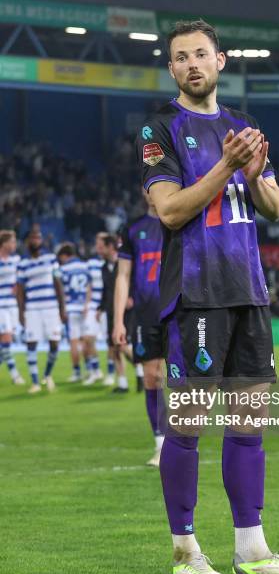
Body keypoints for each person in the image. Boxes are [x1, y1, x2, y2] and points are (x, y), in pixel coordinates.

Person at [137, 19, 279, 574]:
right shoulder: (161, 127)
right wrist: (226, 166)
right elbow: (169, 210)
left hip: (249, 291)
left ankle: (253, 550)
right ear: (172, 69)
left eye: (201, 54)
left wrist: (258, 175)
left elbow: (276, 207)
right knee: (187, 424)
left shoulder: (244, 126)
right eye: (181, 57)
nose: (192, 63)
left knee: (249, 423)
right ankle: (186, 553)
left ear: (220, 62)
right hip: (196, 293)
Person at [113, 189, 167, 467]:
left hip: (181, 312)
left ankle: (182, 443)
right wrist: (118, 320)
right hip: (146, 315)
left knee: (187, 379)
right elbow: (122, 276)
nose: (152, 191)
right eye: (148, 186)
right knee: (151, 377)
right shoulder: (133, 229)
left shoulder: (181, 219)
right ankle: (161, 445)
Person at [16, 227, 66, 393]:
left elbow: (58, 285)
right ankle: (35, 382)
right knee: (31, 343)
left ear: (42, 240)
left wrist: (62, 308)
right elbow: (20, 291)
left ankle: (47, 375)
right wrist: (21, 312)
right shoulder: (22, 264)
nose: (35, 240)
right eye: (32, 238)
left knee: (55, 343)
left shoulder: (51, 259)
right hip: (32, 309)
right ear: (27, 241)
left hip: (51, 308)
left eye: (38, 237)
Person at [97, 234, 128, 393]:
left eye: (101, 247)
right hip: (110, 312)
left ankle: (141, 373)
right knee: (115, 347)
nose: (98, 250)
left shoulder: (123, 264)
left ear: (110, 247)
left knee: (124, 347)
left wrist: (130, 297)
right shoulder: (104, 267)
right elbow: (105, 290)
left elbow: (132, 281)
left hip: (126, 311)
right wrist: (100, 308)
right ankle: (122, 383)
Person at [57, 243, 92, 382]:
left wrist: (63, 308)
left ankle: (77, 372)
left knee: (73, 341)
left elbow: (61, 291)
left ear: (65, 255)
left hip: (71, 308)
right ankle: (90, 370)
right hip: (85, 308)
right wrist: (87, 304)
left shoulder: (63, 269)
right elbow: (90, 286)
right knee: (85, 341)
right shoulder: (85, 266)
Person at [0, 230, 25, 385]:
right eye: (12, 241)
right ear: (4, 244)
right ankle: (15, 374)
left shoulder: (16, 260)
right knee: (6, 338)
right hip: (0, 305)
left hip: (13, 305)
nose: (15, 244)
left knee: (4, 342)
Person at [82, 233, 106, 385]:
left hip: (107, 306)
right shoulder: (91, 263)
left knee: (114, 344)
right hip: (93, 306)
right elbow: (89, 286)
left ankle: (112, 374)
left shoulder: (115, 261)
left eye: (100, 243)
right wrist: (86, 303)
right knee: (87, 339)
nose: (97, 247)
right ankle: (96, 371)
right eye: (96, 243)